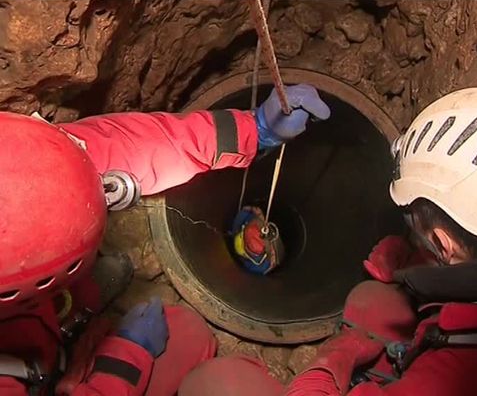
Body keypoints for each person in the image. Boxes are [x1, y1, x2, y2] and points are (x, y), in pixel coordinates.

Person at [184, 87, 477, 396]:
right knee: (374, 302)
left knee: (217, 384)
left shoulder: (454, 382)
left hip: (450, 367)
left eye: (416, 228)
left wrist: (331, 363)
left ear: (444, 242)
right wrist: (414, 262)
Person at [0, 84, 330, 396]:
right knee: (187, 333)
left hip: (29, 318)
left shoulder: (25, 155)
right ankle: (67, 311)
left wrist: (254, 131)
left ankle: (71, 302)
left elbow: (128, 148)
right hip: (29, 366)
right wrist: (125, 358)